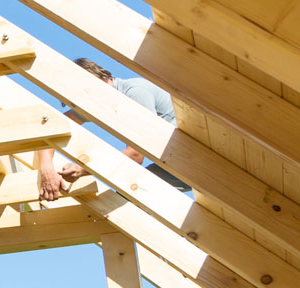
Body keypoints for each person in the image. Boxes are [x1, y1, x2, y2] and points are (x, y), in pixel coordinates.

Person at [35, 58, 190, 201]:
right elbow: (52, 127)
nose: (84, 104)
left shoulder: (135, 93)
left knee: (137, 194)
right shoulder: (96, 102)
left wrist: (82, 169)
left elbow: (135, 155)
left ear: (98, 81)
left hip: (195, 162)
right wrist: (46, 169)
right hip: (174, 163)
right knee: (127, 197)